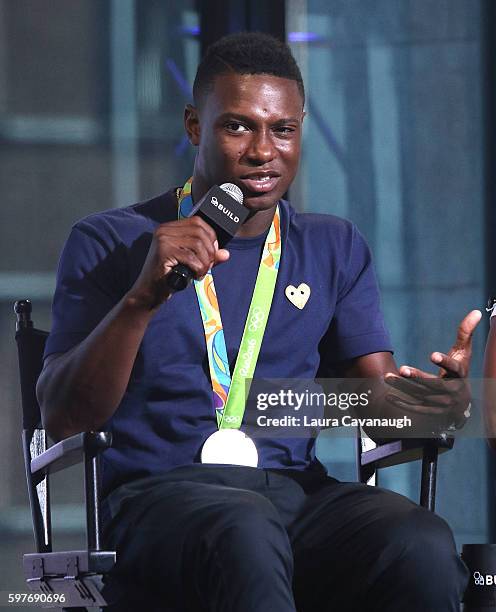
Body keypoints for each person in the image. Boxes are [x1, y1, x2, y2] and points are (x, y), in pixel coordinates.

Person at [37, 32, 481, 611]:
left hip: (294, 495)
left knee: (418, 541)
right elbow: (64, 414)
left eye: (284, 130)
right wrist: (142, 298)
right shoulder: (110, 240)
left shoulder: (332, 245)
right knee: (243, 528)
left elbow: (374, 402)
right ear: (195, 126)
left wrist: (435, 407)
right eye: (239, 126)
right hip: (160, 499)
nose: (263, 150)